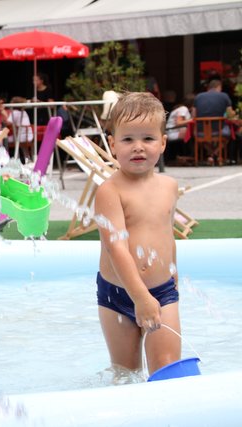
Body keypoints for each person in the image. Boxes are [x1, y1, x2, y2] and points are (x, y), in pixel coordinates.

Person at [94, 92, 181, 378]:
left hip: (163, 292)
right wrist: (140, 297)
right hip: (119, 294)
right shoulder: (110, 190)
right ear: (113, 145)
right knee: (126, 374)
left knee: (167, 370)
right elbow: (116, 248)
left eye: (148, 138)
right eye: (128, 139)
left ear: (163, 143)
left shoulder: (169, 186)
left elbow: (167, 234)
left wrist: (173, 273)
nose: (138, 147)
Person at [5, 96, 33, 163]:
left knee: (3, 140)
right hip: (29, 136)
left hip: (20, 137)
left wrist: (4, 114)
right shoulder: (24, 112)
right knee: (22, 144)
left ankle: (6, 159)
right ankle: (27, 158)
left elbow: (7, 123)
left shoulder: (14, 112)